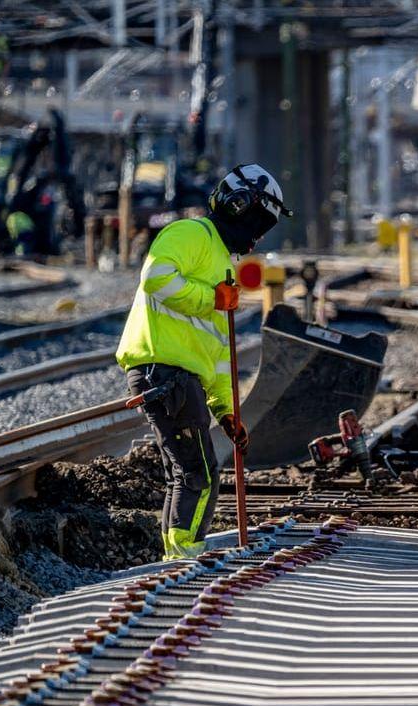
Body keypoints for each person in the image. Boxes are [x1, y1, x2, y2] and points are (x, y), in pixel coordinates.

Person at [115, 163, 291, 559]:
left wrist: (227, 411)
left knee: (191, 471)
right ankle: (182, 561)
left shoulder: (222, 264)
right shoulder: (190, 234)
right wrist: (209, 298)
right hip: (163, 370)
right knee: (199, 473)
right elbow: (156, 278)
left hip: (181, 375)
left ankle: (177, 556)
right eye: (259, 223)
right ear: (239, 207)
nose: (259, 236)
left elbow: (217, 349)